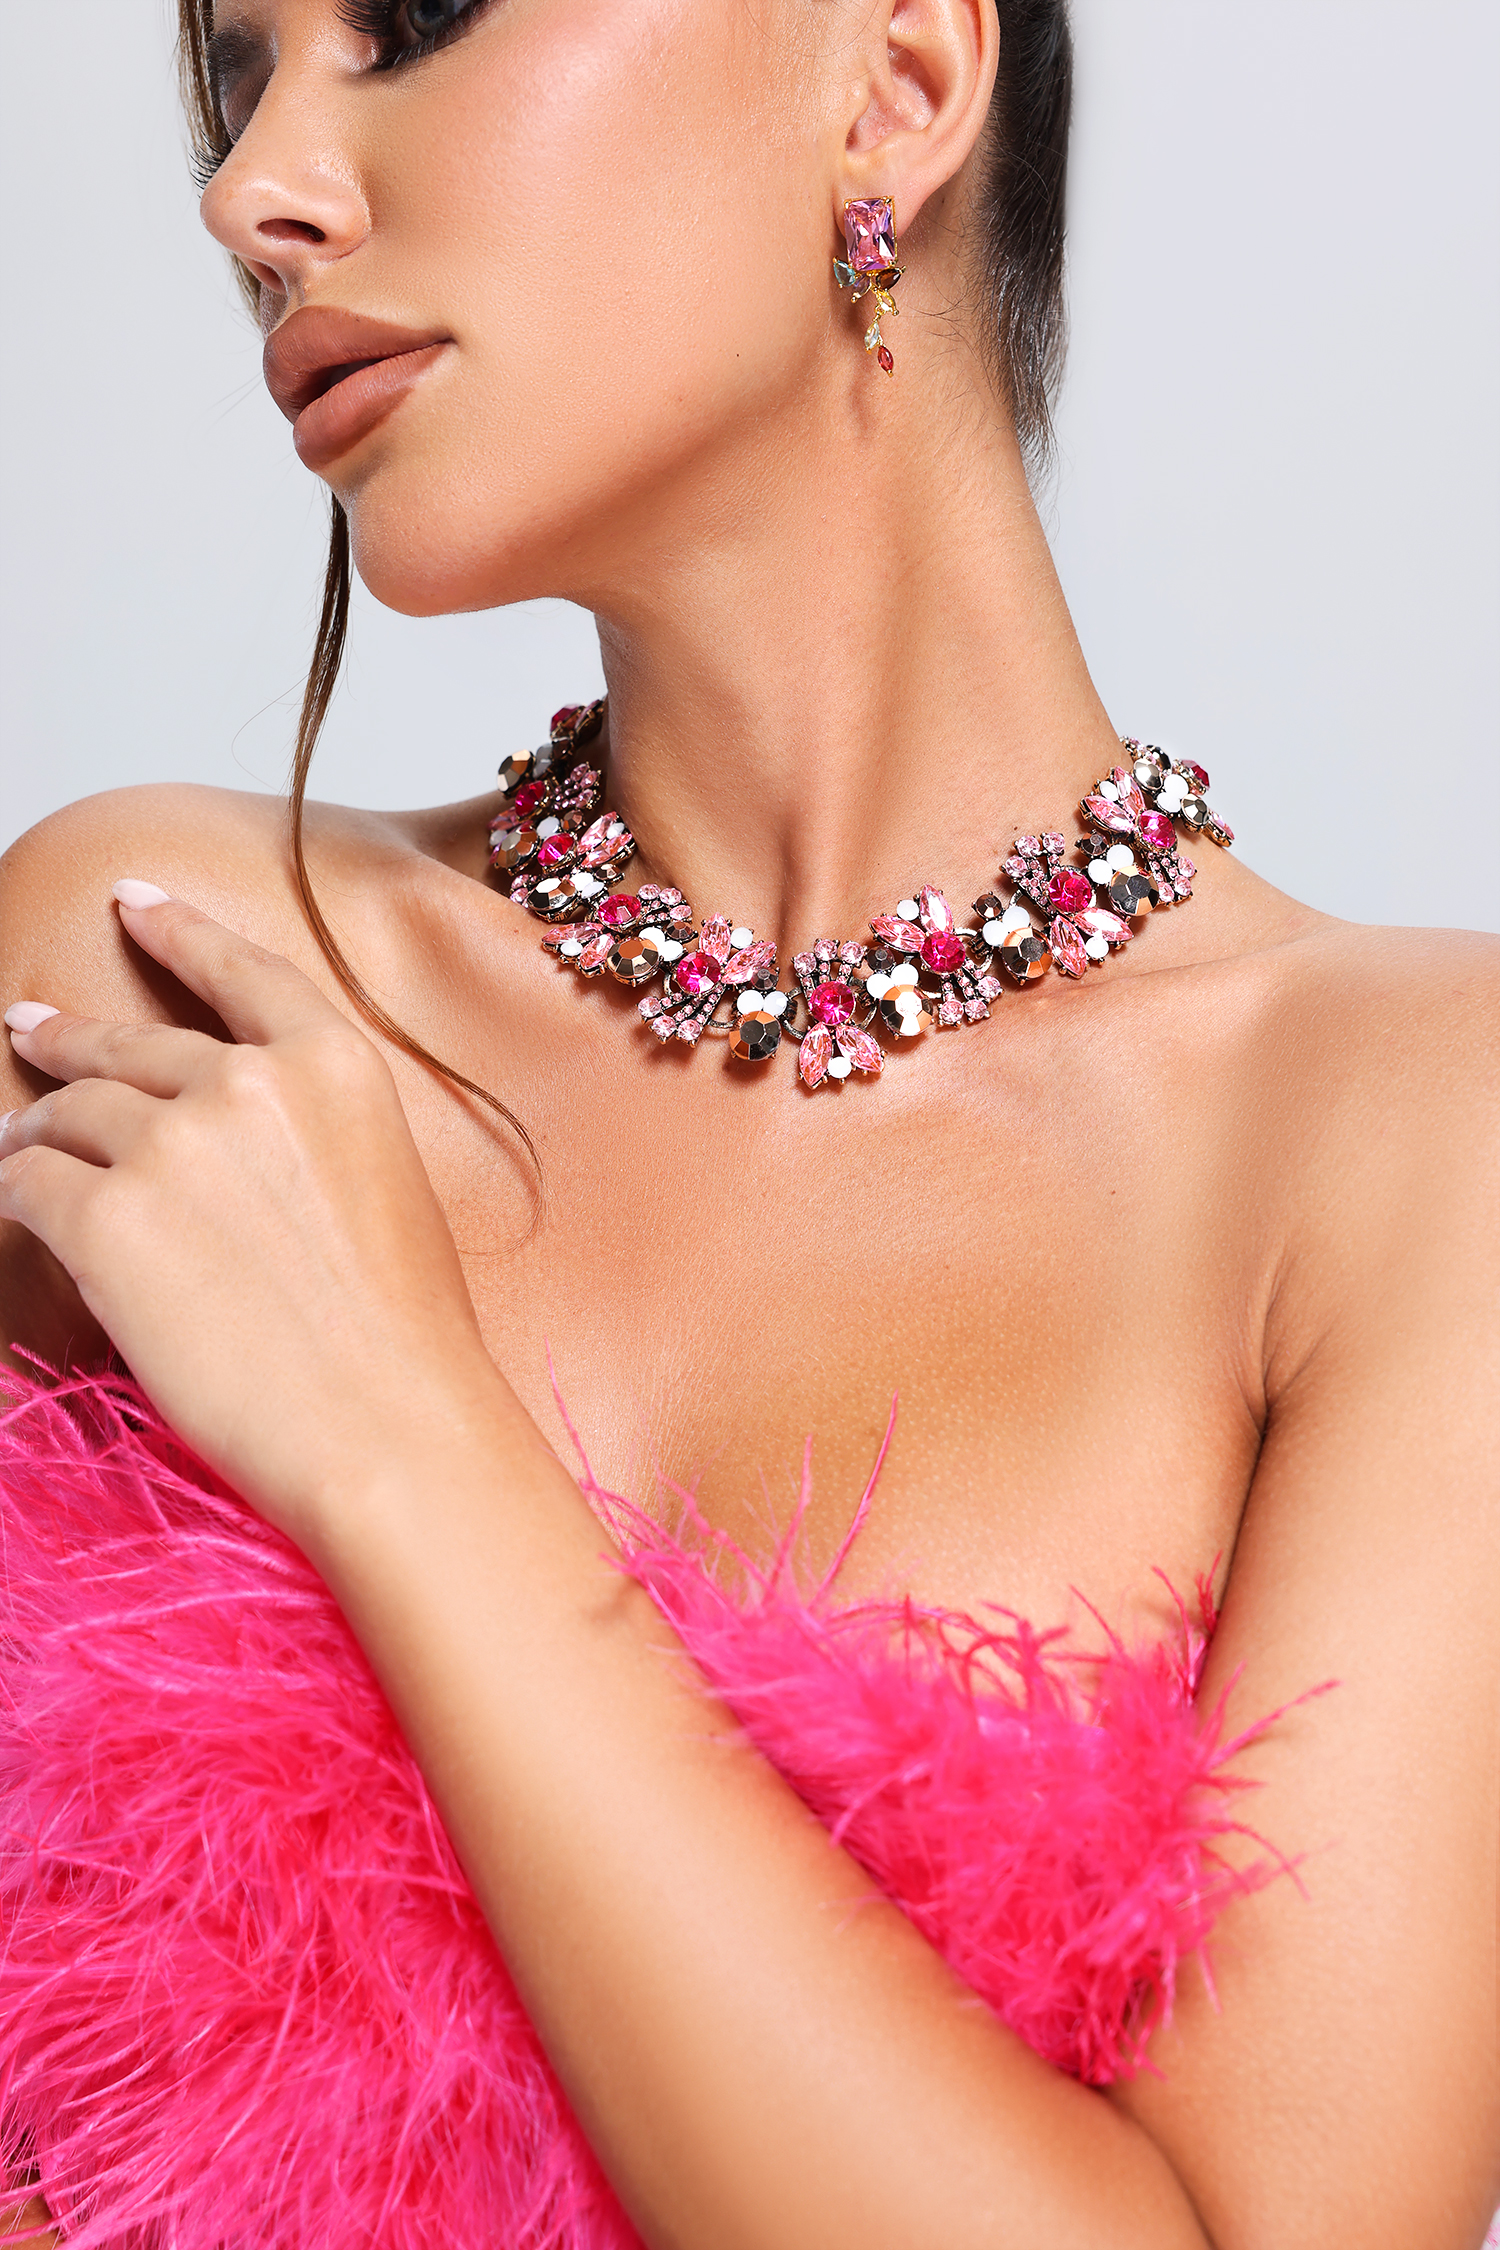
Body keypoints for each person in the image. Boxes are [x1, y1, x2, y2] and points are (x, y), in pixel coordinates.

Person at [0, 0, 1496, 2243]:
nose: (251, 193)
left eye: (412, 20)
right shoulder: (161, 980)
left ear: (900, 81)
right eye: (236, 80)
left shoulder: (1416, 1140)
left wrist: (399, 1443)